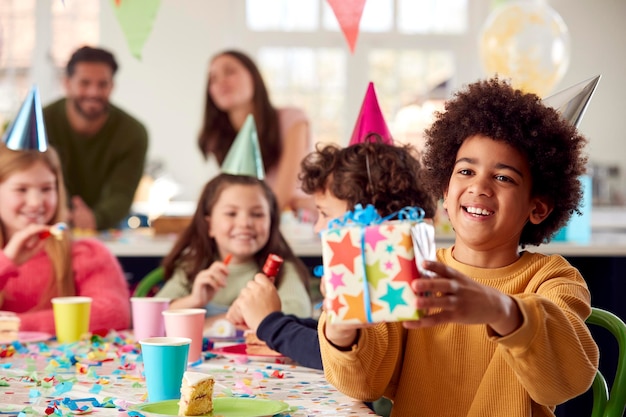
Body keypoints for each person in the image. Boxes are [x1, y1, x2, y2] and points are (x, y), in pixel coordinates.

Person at [317, 78, 599, 417]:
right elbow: (365, 384)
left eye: (504, 177)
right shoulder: (411, 268)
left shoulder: (553, 279)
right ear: (445, 193)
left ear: (537, 208)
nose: (478, 186)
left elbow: (566, 380)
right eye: (465, 170)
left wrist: (501, 310)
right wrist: (343, 326)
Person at [226, 139, 438, 369]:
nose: (318, 228)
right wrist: (268, 315)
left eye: (325, 214)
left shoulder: (391, 282)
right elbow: (334, 335)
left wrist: (270, 323)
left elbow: (334, 357)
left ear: (369, 217)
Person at [0, 144, 131, 334]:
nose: (36, 202)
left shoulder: (86, 254)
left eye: (46, 189)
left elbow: (114, 314)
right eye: (21, 189)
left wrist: (15, 325)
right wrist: (6, 262)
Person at [155, 173, 311, 327]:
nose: (245, 223)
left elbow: (297, 314)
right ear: (209, 225)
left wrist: (213, 323)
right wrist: (195, 300)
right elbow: (154, 318)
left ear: (271, 222)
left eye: (257, 214)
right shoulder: (192, 267)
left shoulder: (283, 270)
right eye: (231, 213)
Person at [43, 46, 148, 231]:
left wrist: (96, 219)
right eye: (84, 83)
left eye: (102, 84)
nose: (93, 92)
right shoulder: (40, 123)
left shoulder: (133, 132)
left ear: (112, 86)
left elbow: (122, 192)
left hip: (105, 230)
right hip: (44, 224)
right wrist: (61, 211)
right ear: (67, 83)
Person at [198, 50, 311, 212]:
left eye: (229, 72)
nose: (221, 82)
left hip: (294, 226)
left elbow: (282, 195)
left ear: (254, 77)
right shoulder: (215, 138)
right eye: (213, 79)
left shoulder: (292, 120)